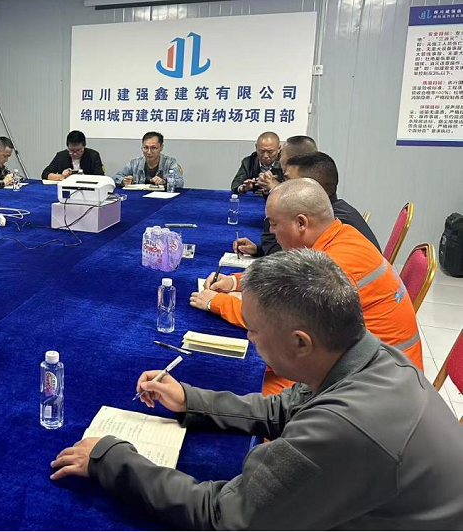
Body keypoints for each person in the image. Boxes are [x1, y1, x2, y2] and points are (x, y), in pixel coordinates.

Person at [50, 249, 463, 530]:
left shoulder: (347, 425)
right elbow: (284, 408)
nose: (249, 337)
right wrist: (191, 400)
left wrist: (111, 458)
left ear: (300, 343)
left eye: (252, 329)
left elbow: (224, 516)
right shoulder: (368, 354)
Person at [191, 178, 422, 394]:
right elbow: (285, 275)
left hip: (376, 385)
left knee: (244, 388)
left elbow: (275, 323)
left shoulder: (335, 265)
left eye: (274, 224)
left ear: (301, 223)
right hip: (377, 365)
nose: (271, 231)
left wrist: (216, 302)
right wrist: (235, 281)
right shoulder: (342, 235)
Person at [235, 151, 379, 256]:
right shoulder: (334, 210)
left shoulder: (332, 220)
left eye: (288, 181)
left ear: (310, 186)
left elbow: (285, 261)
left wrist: (276, 201)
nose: (283, 185)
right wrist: (258, 249)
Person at [112, 131, 184, 190]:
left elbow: (180, 182)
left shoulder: (170, 162)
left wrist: (164, 182)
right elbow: (115, 178)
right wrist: (124, 180)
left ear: (161, 147)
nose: (149, 152)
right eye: (145, 148)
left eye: (153, 148)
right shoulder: (135, 163)